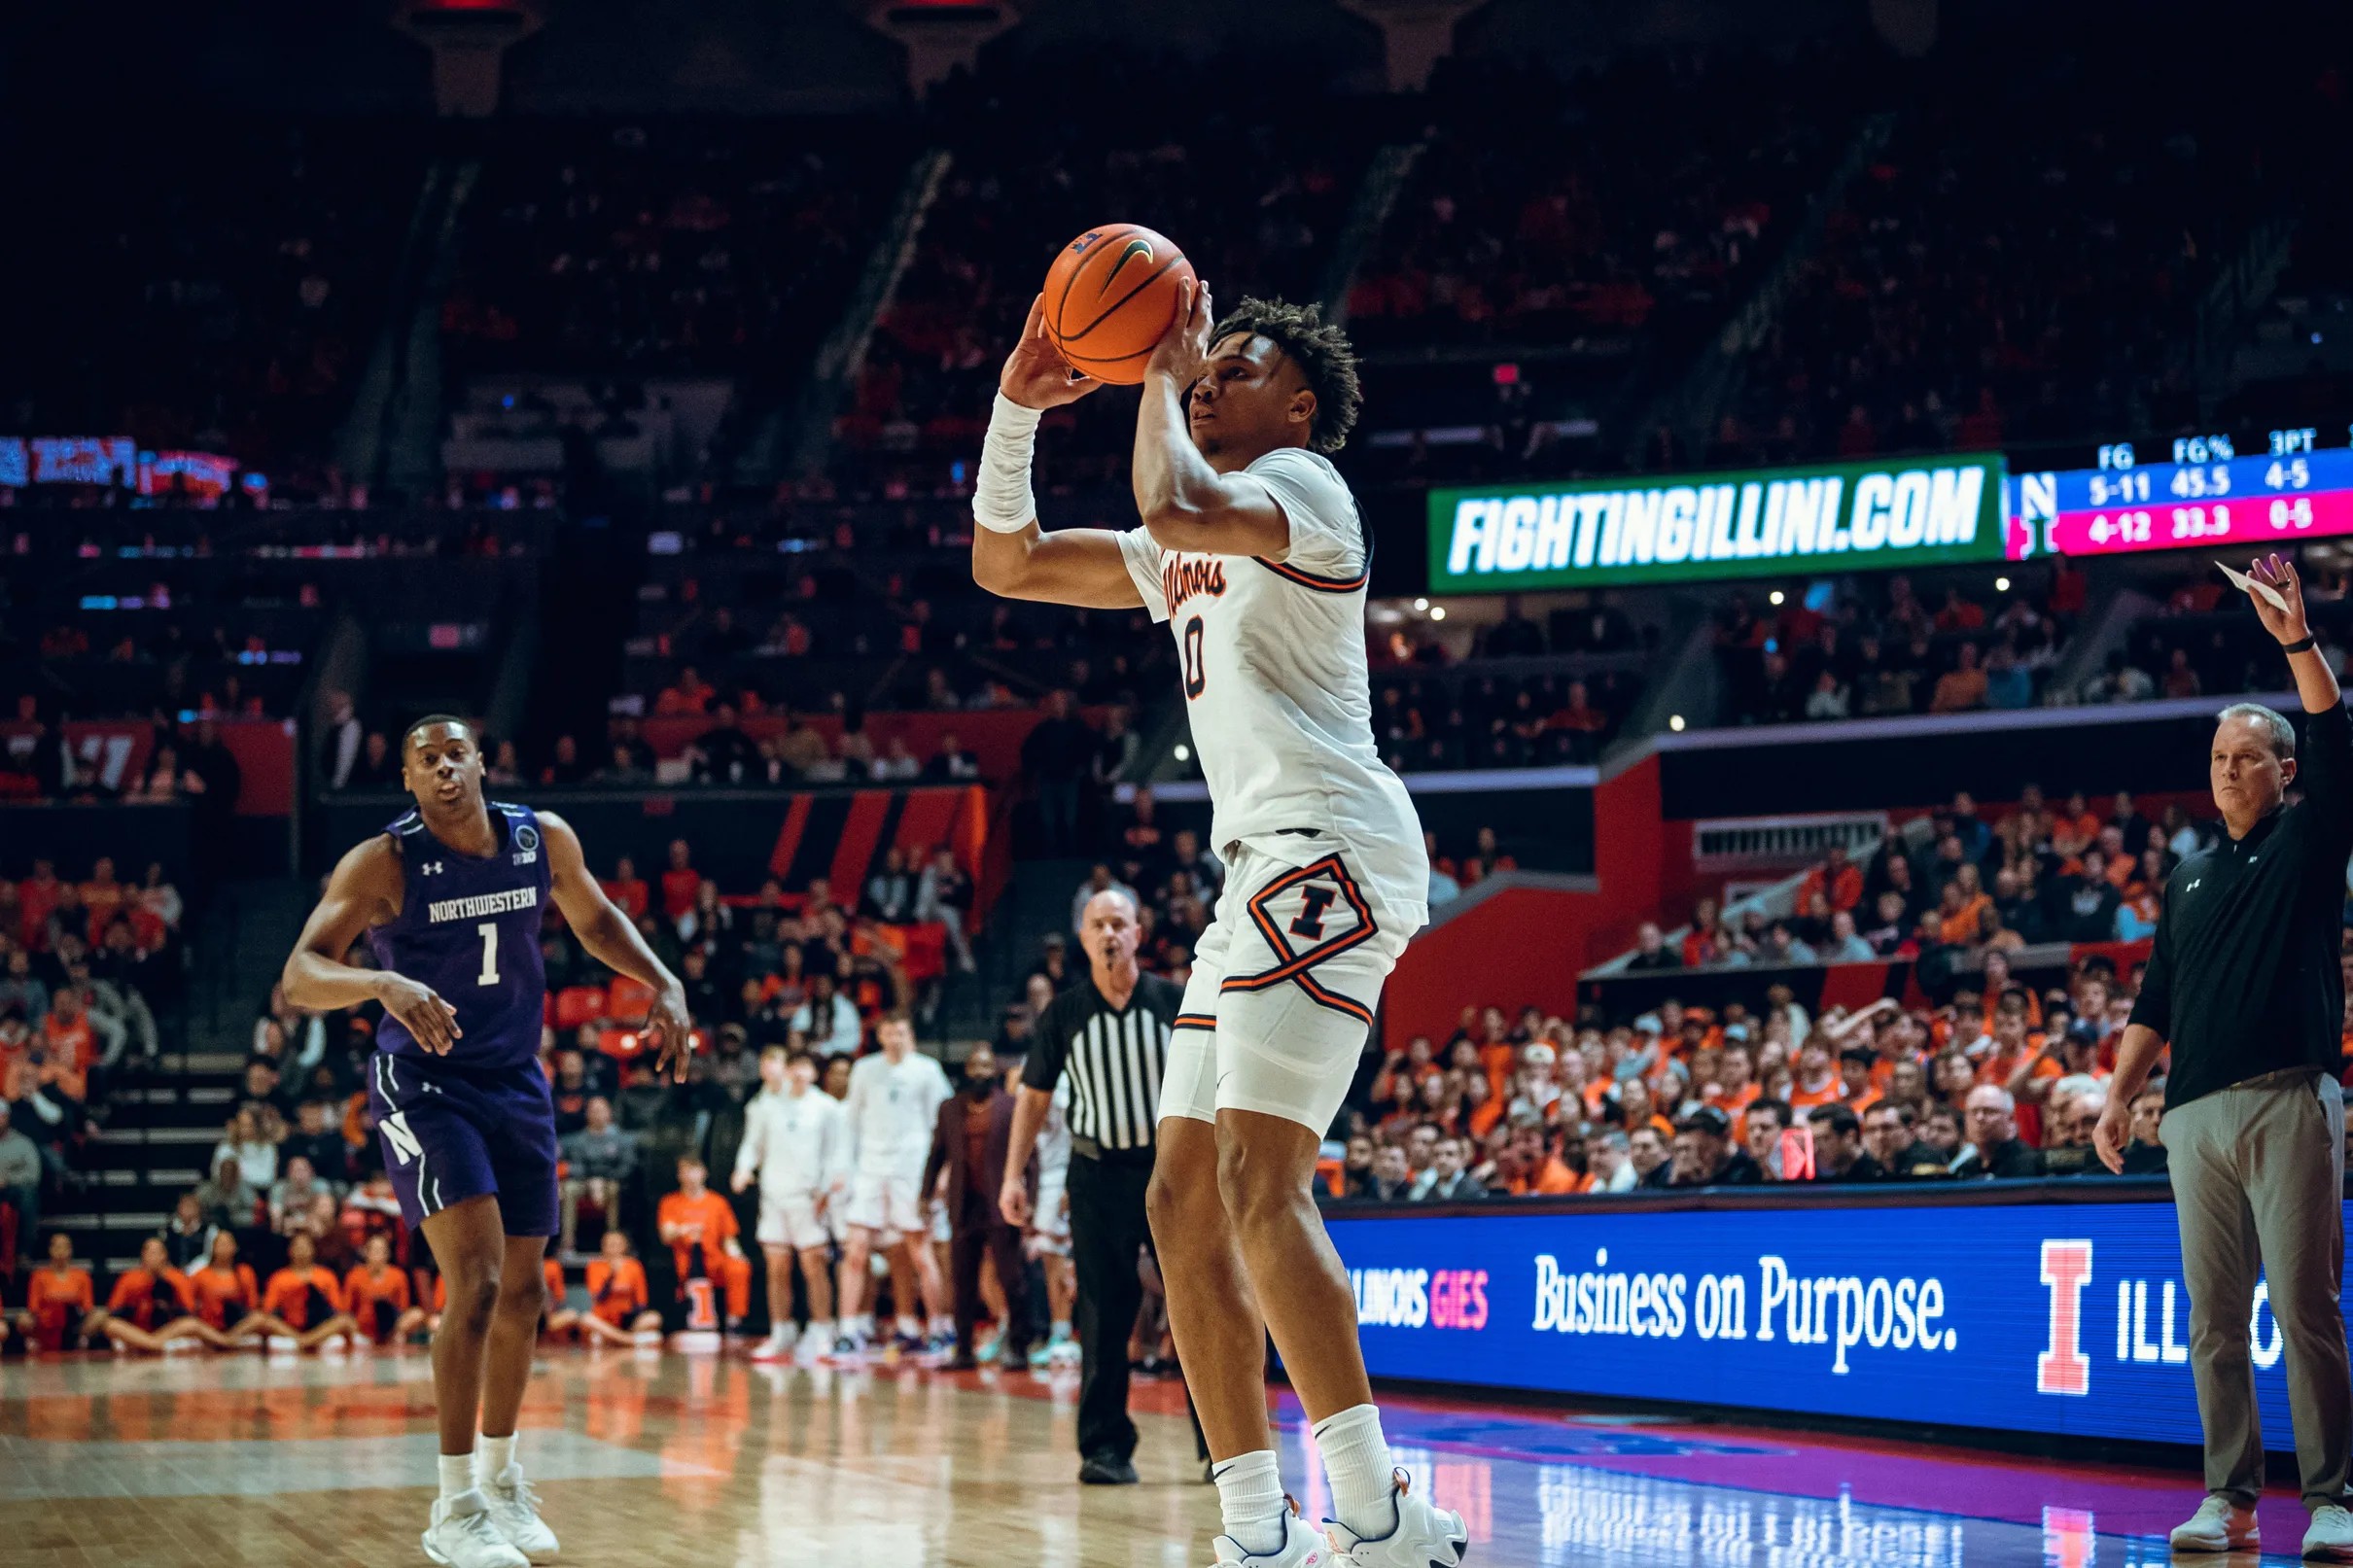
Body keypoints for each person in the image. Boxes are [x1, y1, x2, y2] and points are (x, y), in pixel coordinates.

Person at [970, 282, 1457, 1566]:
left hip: (1332, 846)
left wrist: (1149, 374)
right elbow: (1005, 562)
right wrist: (1017, 408)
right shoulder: (1185, 533)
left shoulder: (1304, 487)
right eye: (1204, 363)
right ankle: (1256, 1530)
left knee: (1257, 1179)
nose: (1206, 376)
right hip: (1259, 869)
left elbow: (1174, 501)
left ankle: (1378, 1514)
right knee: (1178, 1197)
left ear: (1298, 406)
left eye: (1236, 366)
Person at [280, 714, 692, 1568]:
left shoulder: (542, 838)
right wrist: (381, 982)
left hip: (515, 1078)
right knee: (475, 1282)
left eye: (455, 754)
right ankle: (454, 1504)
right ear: (407, 778)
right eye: (425, 759)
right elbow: (300, 972)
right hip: (425, 1083)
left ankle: (502, 1482)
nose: (443, 769)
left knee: (526, 1292)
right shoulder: (384, 861)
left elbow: (596, 919)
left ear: (481, 762)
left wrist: (662, 979)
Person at [2094, 554, 2353, 1559]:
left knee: (2304, 1304)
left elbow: (2333, 735)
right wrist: (2118, 1094)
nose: (2228, 770)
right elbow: (2155, 996)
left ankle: (2331, 1496)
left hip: (2290, 1095)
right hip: (2191, 1114)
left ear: (2283, 771)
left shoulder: (2309, 839)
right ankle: (2228, 1497)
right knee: (2212, 1317)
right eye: (2217, 757)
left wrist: (2295, 638)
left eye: (2246, 756)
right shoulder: (2186, 876)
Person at [1002, 887, 1196, 1482]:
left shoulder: (1174, 1001)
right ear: (1083, 939)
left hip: (1170, 1173)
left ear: (1139, 932)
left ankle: (1226, 1448)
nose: (1109, 933)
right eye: (1098, 925)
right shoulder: (1064, 1013)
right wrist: (1013, 1175)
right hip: (1096, 1175)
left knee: (1198, 1305)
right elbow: (1034, 1098)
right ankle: (1105, 1448)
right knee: (1102, 1311)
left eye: (1119, 923)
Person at [833, 1013, 954, 1361]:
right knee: (855, 1249)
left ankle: (939, 1328)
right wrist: (844, 1169)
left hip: (911, 1170)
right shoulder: (864, 1069)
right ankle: (848, 1331)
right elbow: (851, 1123)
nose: (895, 1038)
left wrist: (942, 1172)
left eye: (901, 1032)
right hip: (871, 1169)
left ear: (909, 1035)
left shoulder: (927, 1070)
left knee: (920, 1253)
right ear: (880, 1036)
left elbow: (944, 1122)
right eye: (889, 1032)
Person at [731, 1046, 847, 1366]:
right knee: (777, 1267)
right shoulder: (766, 1106)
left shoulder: (826, 1108)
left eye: (805, 1067)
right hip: (774, 1197)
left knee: (814, 1266)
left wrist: (826, 1188)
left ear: (814, 1073)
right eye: (794, 1066)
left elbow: (835, 1153)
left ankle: (822, 1329)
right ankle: (782, 1330)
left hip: (808, 1199)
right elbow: (752, 1144)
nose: (799, 1073)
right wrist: (743, 1169)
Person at [924, 1043, 1033, 1371]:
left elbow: (1030, 1158)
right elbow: (937, 1154)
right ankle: (963, 1350)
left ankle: (1019, 1347)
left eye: (986, 1067)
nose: (980, 1073)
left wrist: (1031, 1199)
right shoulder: (950, 1108)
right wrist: (924, 1195)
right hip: (964, 1204)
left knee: (1011, 1278)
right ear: (966, 1071)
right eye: (974, 1066)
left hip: (1001, 1204)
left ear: (995, 1071)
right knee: (962, 1281)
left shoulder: (1010, 1106)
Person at [655, 1156, 751, 1335]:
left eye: (694, 1170)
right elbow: (666, 1234)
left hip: (714, 1260)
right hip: (686, 1261)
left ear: (703, 1173)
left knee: (739, 1267)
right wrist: (684, 1230)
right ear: (679, 1176)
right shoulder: (670, 1202)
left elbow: (729, 1238)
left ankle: (734, 1321)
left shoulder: (718, 1202)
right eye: (685, 1171)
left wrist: (736, 1254)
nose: (690, 1176)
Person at [546, 1229, 661, 1345]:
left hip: (627, 1319)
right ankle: (629, 1340)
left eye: (617, 1244)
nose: (613, 1248)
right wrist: (612, 1275)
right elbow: (598, 1297)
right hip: (603, 1320)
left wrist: (630, 1315)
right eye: (609, 1244)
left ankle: (617, 1338)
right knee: (587, 1319)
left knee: (654, 1318)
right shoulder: (595, 1266)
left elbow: (641, 1302)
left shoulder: (634, 1266)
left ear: (625, 1246)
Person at [97, 1236, 210, 1352]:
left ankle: (148, 1345)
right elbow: (114, 1312)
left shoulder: (178, 1278)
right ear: (142, 1255)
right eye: (149, 1252)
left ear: (164, 1255)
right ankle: (158, 1345)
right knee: (110, 1325)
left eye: (157, 1252)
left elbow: (188, 1314)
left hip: (167, 1332)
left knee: (191, 1324)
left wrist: (169, 1307)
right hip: (136, 1332)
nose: (153, 1257)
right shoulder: (128, 1278)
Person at [348, 1232, 430, 1346]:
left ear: (387, 1253)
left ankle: (392, 1336)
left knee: (417, 1313)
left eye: (381, 1250)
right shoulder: (354, 1276)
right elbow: (347, 1308)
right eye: (374, 1250)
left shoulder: (398, 1275)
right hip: (363, 1328)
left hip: (393, 1326)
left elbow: (403, 1307)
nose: (377, 1255)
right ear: (366, 1252)